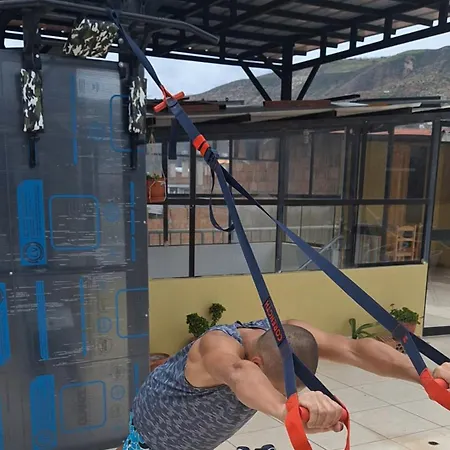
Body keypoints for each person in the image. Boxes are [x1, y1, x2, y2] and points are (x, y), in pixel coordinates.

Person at [120, 318, 450, 450]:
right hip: (150, 440)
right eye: (279, 388)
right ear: (258, 363)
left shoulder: (288, 334)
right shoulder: (216, 348)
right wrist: (285, 409)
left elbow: (354, 349)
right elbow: (238, 372)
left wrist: (429, 376)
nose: (281, 394)